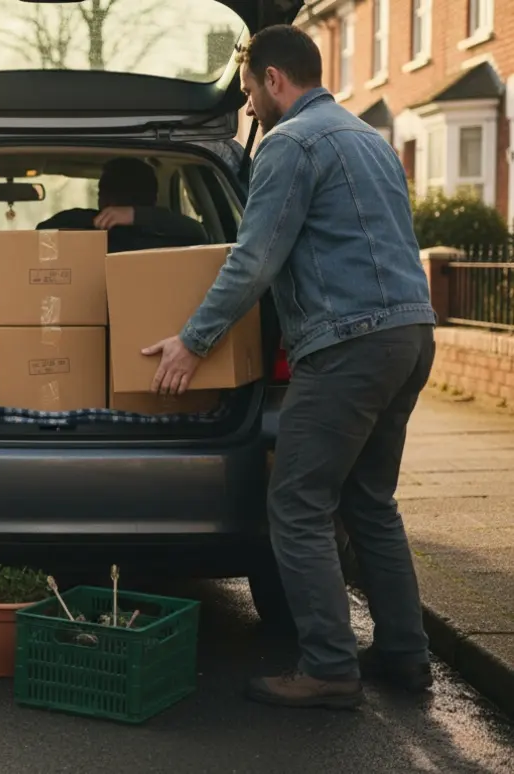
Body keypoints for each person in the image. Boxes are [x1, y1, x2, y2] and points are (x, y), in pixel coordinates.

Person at [141, 25, 437, 709]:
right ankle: (403, 654)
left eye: (248, 92)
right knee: (370, 503)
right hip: (409, 335)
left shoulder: (290, 144)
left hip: (348, 345)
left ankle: (330, 668)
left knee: (298, 505)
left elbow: (254, 258)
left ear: (274, 80)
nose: (247, 109)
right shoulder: (369, 139)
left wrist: (194, 340)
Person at [35, 157, 207, 251]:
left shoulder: (167, 233)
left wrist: (136, 216)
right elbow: (38, 239)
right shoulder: (78, 222)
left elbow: (199, 234)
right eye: (105, 191)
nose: (111, 201)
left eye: (125, 193)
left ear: (150, 199)